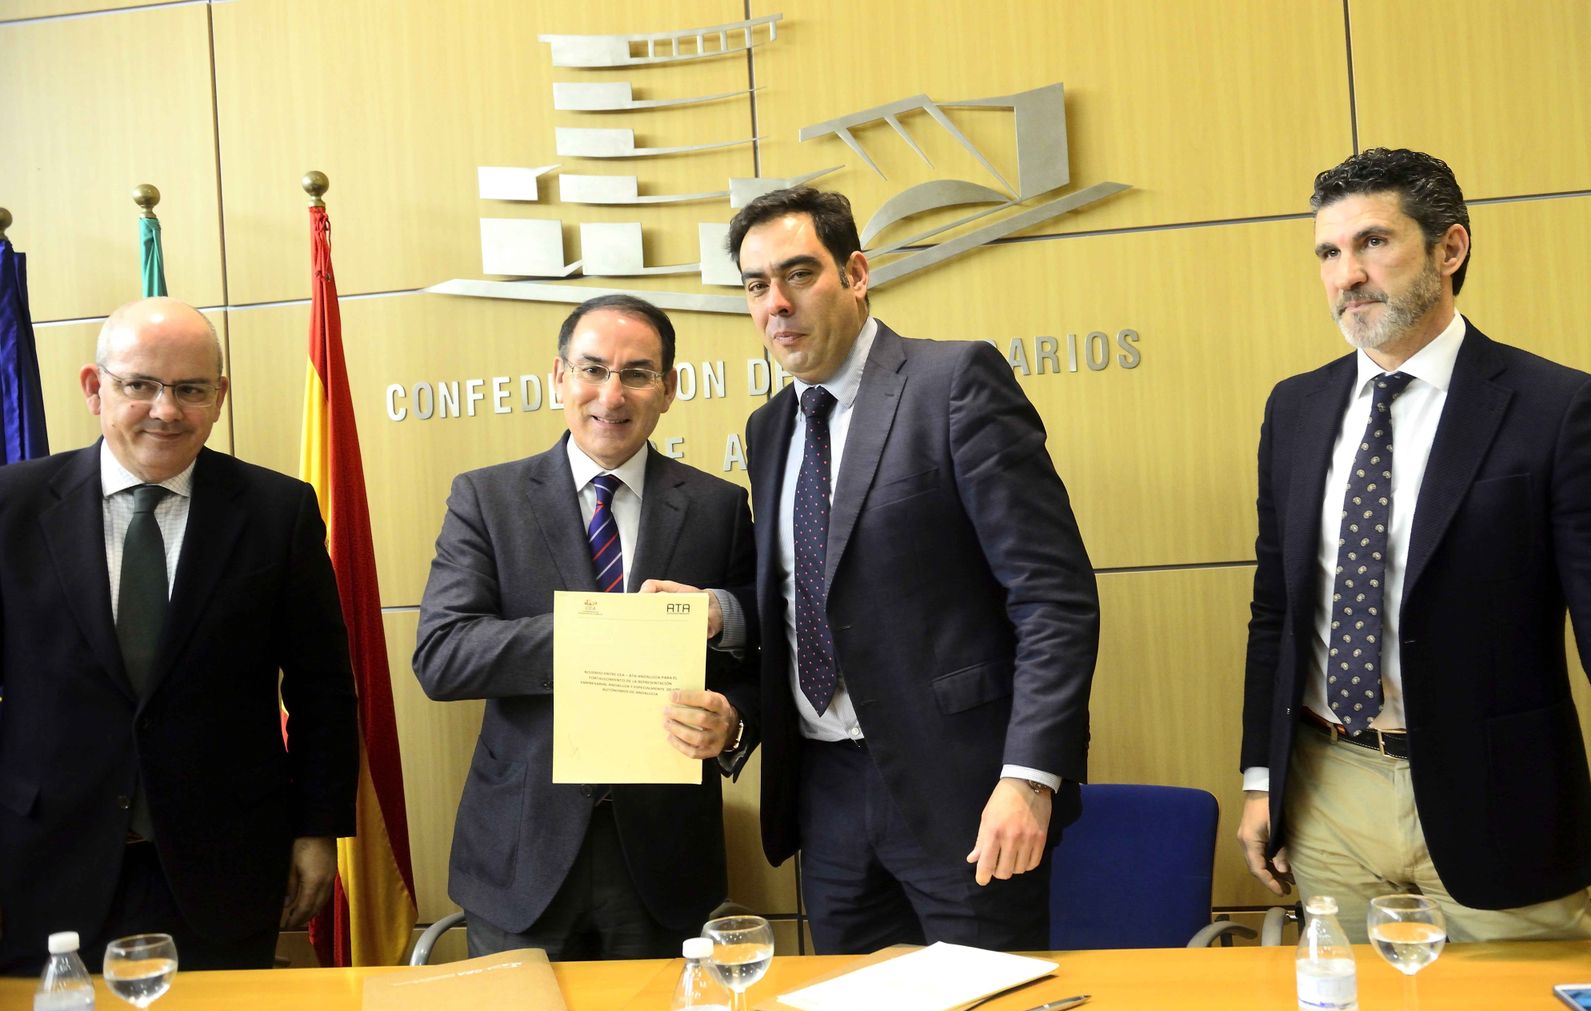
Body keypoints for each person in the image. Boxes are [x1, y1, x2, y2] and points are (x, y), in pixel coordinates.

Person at [704, 185, 1099, 953]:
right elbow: (802, 595)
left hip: (964, 794)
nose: (776, 304)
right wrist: (721, 615)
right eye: (756, 286)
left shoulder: (953, 383)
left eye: (798, 275)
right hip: (825, 799)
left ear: (855, 273)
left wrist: (1028, 777)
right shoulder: (771, 427)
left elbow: (1053, 600)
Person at [1237, 147, 1591, 943]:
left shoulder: (1556, 407)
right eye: (1329, 252)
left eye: (1373, 242)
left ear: (1450, 248)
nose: (1346, 275)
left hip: (1497, 798)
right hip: (1326, 787)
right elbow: (1277, 612)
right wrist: (1261, 780)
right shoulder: (1294, 410)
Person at [0, 297, 357, 974]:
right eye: (139, 385)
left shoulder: (278, 512)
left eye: (190, 389)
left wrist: (317, 831)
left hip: (222, 866)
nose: (166, 410)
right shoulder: (10, 508)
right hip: (43, 862)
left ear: (219, 397)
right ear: (93, 389)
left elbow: (323, 691)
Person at [412, 294, 759, 961]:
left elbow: (757, 659)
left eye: (637, 373)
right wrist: (601, 635)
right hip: (521, 856)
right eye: (592, 369)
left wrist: (735, 721)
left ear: (668, 389)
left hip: (664, 861)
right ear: (559, 378)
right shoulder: (485, 500)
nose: (611, 393)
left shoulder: (717, 508)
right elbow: (442, 657)